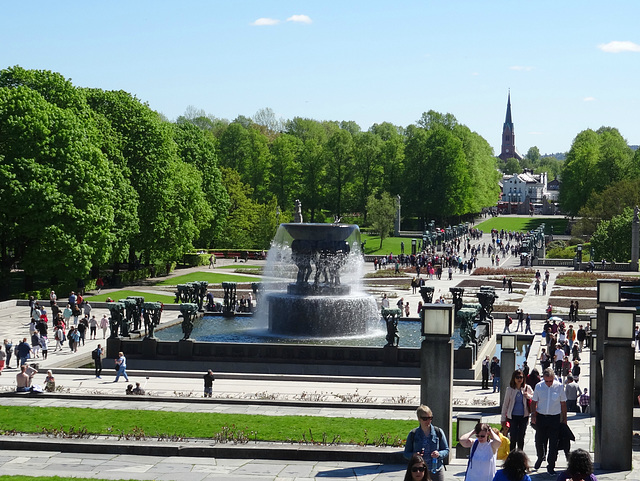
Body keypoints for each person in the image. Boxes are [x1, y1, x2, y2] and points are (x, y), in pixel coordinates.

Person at [531, 367, 567, 475]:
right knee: (539, 440)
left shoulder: (559, 387)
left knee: (553, 444)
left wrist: (564, 418)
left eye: (550, 381)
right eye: (546, 381)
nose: (549, 383)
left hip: (554, 418)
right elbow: (534, 402)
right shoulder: (539, 386)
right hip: (541, 417)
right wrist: (533, 414)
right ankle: (540, 456)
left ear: (553, 378)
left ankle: (551, 465)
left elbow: (563, 404)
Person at [403, 405, 449, 481]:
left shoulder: (438, 432)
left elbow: (446, 450)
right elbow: (406, 453)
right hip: (420, 471)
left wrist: (439, 454)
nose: (428, 421)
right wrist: (414, 455)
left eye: (430, 418)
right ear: (419, 419)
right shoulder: (413, 434)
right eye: (425, 418)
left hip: (436, 470)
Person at [501, 369, 533, 451]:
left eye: (521, 377)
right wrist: (503, 419)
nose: (519, 379)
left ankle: (520, 455)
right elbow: (505, 405)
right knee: (513, 436)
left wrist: (528, 396)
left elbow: (535, 398)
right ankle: (511, 456)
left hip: (524, 416)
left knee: (521, 437)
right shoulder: (510, 389)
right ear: (514, 378)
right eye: (517, 377)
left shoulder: (527, 388)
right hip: (512, 417)